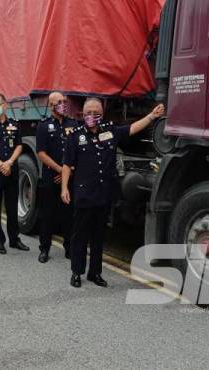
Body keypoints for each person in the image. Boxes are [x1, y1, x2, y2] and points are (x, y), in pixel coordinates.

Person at [62, 98, 164, 288]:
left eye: (95, 112)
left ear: (102, 113)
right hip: (84, 195)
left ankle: (95, 273)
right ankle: (77, 272)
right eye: (88, 112)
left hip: (103, 194)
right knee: (80, 236)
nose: (92, 115)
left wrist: (151, 116)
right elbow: (67, 164)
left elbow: (132, 128)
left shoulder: (109, 131)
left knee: (98, 237)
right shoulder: (75, 136)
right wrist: (64, 188)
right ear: (83, 115)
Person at [0, 92, 30, 254]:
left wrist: (9, 162)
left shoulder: (14, 124)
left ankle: (14, 239)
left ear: (5, 105)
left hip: (12, 171)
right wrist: (1, 163)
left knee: (11, 207)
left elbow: (19, 145)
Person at [35, 91, 78, 263]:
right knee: (47, 215)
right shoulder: (43, 125)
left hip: (69, 179)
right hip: (50, 178)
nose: (63, 104)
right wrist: (60, 170)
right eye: (59, 102)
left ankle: (69, 248)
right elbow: (41, 153)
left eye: (64, 101)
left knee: (69, 215)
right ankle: (44, 249)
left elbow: (78, 152)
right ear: (51, 105)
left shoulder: (74, 124)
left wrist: (69, 172)